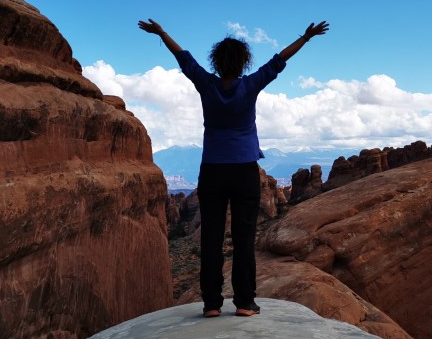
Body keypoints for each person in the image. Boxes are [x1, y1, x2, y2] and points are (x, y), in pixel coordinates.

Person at [138, 17, 330, 318]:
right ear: (243, 62)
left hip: (212, 170)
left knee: (211, 238)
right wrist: (306, 38)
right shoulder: (250, 85)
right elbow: (279, 60)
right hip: (244, 170)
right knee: (243, 238)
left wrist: (161, 32)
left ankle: (212, 304)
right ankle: (244, 302)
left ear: (216, 61)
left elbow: (183, 58)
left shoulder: (206, 84)